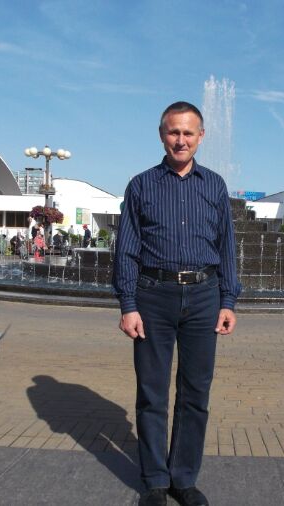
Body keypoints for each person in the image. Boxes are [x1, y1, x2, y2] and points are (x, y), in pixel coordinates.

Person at [113, 101, 240, 506]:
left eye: (188, 132)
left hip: (204, 296)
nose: (180, 140)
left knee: (195, 393)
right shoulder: (141, 185)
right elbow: (126, 249)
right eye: (173, 132)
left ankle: (183, 479)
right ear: (161, 135)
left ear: (200, 136)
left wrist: (228, 300)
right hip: (153, 296)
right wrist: (128, 304)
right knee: (152, 393)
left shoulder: (214, 185)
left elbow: (227, 246)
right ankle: (155, 481)